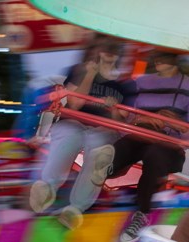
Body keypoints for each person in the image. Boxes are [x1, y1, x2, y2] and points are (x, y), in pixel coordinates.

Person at [89, 49, 189, 242]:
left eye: (163, 54)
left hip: (171, 147)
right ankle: (107, 167)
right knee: (139, 137)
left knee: (154, 151)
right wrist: (135, 117)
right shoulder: (141, 83)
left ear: (175, 56)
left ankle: (139, 209)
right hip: (139, 137)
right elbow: (127, 118)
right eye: (155, 55)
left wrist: (174, 123)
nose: (157, 59)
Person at [28, 37, 124, 230]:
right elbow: (75, 104)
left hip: (101, 128)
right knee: (70, 135)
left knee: (99, 147)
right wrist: (89, 74)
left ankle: (76, 208)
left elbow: (120, 122)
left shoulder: (120, 85)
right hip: (74, 122)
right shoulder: (77, 71)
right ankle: (47, 187)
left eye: (109, 51)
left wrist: (113, 110)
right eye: (100, 51)